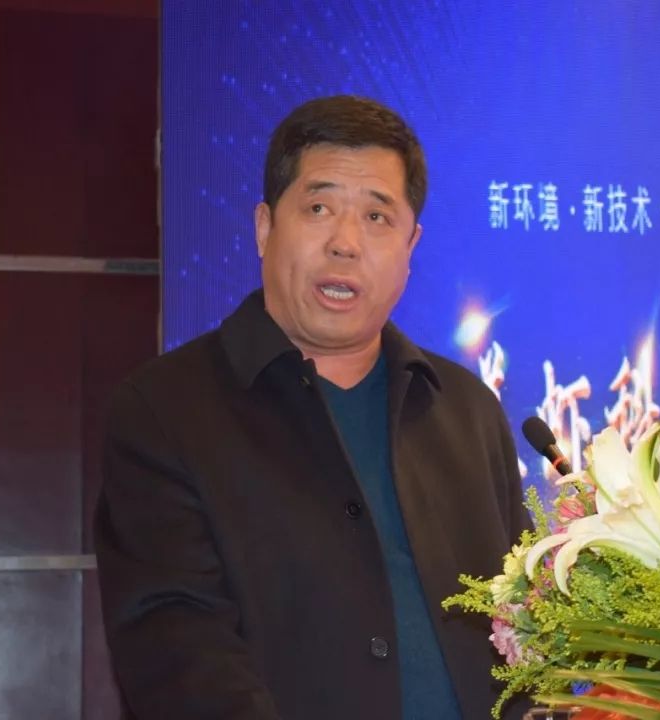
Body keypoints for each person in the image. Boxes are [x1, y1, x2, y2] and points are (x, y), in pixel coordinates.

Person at [95, 95, 532, 720]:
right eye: (319, 208)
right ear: (264, 228)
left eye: (377, 217)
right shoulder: (165, 410)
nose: (346, 243)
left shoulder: (468, 411)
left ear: (411, 245)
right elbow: (176, 645)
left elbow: (520, 632)